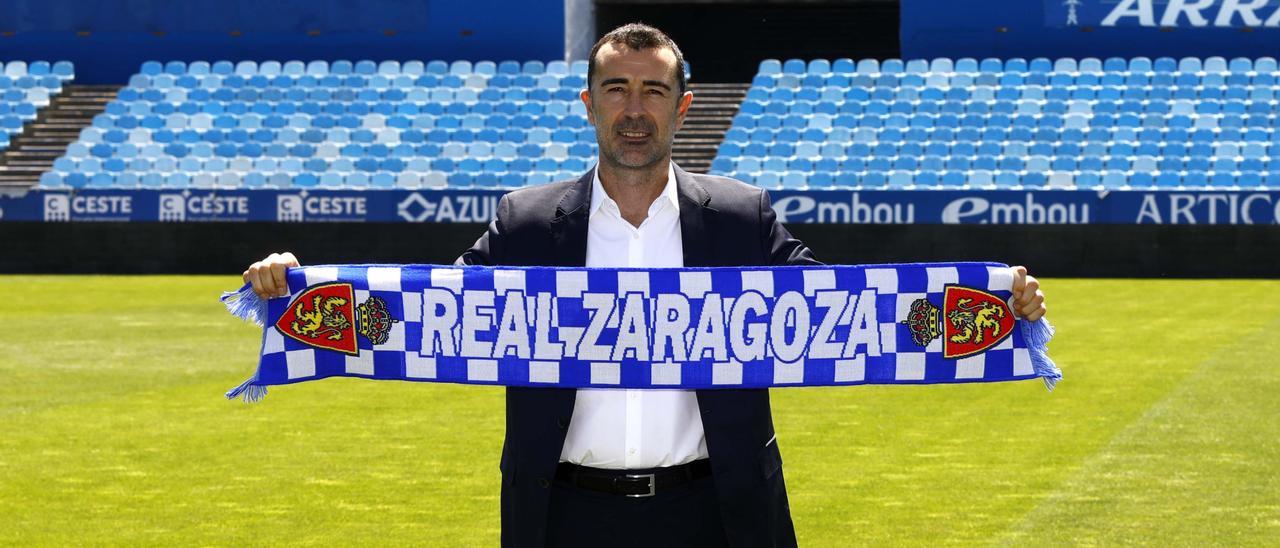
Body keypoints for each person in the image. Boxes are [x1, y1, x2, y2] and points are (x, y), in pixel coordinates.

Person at [242, 23, 1048, 548]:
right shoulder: (525, 222)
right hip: (562, 516)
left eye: (654, 91)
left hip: (718, 512)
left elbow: (849, 310)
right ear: (588, 105)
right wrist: (296, 285)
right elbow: (427, 311)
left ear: (683, 106)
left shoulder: (740, 216)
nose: (636, 110)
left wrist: (990, 304)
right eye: (618, 91)